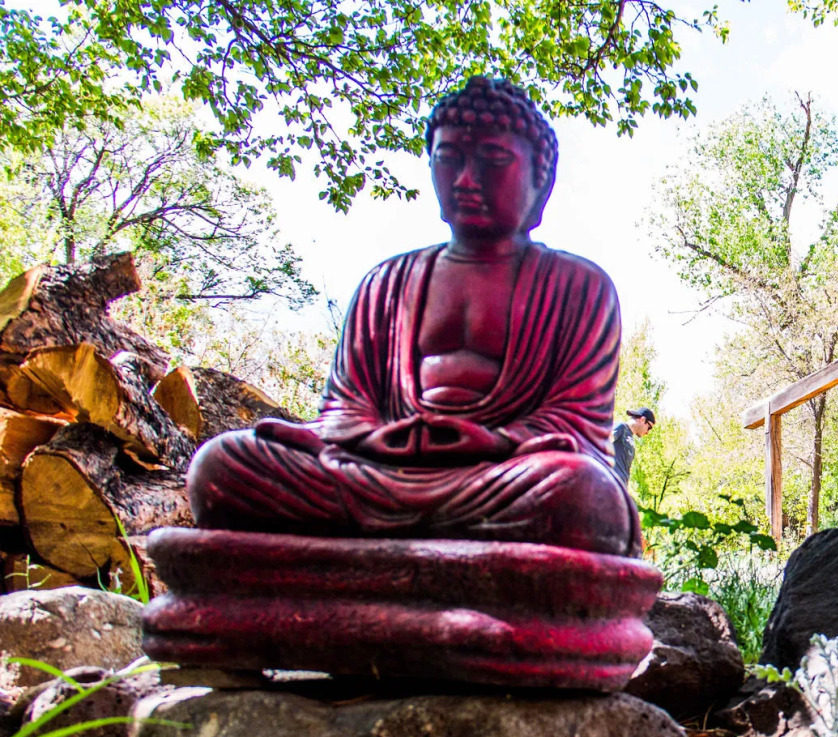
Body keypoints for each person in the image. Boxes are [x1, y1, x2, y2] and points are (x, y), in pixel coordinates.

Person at [187, 76, 641, 556]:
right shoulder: (386, 283)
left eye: (492, 161)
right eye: (449, 160)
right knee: (221, 468)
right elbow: (346, 407)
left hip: (505, 477)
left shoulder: (580, 287)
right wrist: (369, 438)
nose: (466, 180)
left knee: (583, 497)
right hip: (381, 468)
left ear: (540, 178)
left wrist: (482, 440)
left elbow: (574, 423)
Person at [611, 406, 655, 483]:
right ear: (642, 420)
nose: (648, 432)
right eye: (649, 427)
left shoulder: (630, 440)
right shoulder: (621, 428)